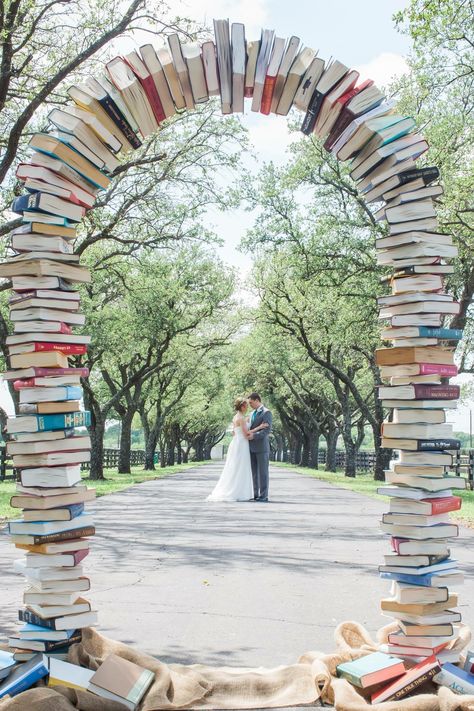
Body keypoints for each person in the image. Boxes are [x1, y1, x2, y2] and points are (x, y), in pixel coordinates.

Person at [207, 397, 268, 502]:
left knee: (236, 467)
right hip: (242, 444)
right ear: (243, 406)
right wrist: (260, 427)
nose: (248, 407)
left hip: (236, 442)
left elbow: (234, 432)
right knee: (241, 468)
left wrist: (247, 422)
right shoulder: (241, 418)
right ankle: (240, 491)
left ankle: (240, 490)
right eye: (247, 405)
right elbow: (246, 434)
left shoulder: (236, 417)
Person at [247, 393, 272, 502]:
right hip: (251, 447)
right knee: (254, 472)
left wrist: (254, 436)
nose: (250, 405)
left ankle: (264, 495)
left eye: (251, 403)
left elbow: (266, 431)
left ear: (257, 400)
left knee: (263, 472)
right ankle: (256, 494)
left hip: (262, 447)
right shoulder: (252, 413)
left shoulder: (266, 412)